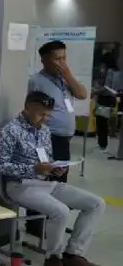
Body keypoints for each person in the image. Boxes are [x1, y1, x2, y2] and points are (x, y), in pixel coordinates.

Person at [0, 91, 105, 266]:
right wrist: (33, 168)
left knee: (96, 204)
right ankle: (53, 257)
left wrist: (55, 168)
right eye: (41, 114)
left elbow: (47, 158)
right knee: (61, 211)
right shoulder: (10, 131)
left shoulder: (44, 130)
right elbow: (0, 166)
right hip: (20, 185)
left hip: (46, 182)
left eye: (48, 114)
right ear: (27, 108)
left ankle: (73, 253)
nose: (45, 119)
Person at [27, 40, 88, 183]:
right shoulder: (37, 80)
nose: (62, 63)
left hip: (65, 138)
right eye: (57, 59)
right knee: (49, 178)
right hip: (49, 136)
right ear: (44, 60)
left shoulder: (65, 79)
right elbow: (31, 109)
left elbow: (82, 94)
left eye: (64, 58)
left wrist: (68, 75)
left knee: (61, 178)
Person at [93, 55, 121, 154]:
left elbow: (106, 88)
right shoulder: (117, 72)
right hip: (111, 100)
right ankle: (103, 144)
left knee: (102, 123)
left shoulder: (109, 72)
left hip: (105, 99)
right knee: (105, 123)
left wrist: (96, 90)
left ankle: (103, 145)